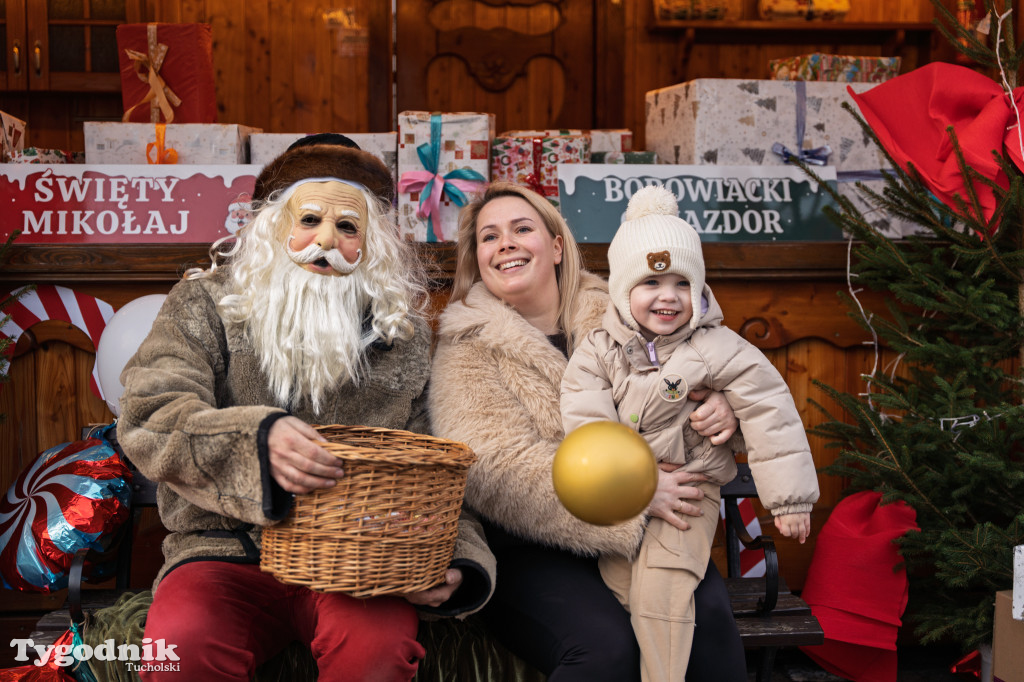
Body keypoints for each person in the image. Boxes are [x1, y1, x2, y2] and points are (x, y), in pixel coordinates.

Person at [116, 134, 495, 682]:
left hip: (359, 565)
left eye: (347, 227)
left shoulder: (401, 334)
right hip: (222, 549)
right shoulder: (204, 303)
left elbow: (439, 470)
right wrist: (256, 443)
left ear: (372, 245)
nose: (325, 240)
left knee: (377, 654)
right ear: (272, 231)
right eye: (309, 219)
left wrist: (454, 562)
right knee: (183, 649)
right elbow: (151, 414)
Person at [428, 181, 749, 681]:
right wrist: (632, 496)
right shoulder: (467, 345)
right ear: (479, 260)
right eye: (489, 237)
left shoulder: (627, 314)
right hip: (534, 548)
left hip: (658, 528)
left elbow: (706, 367)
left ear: (556, 246)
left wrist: (724, 411)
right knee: (605, 649)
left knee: (705, 619)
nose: (505, 243)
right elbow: (492, 466)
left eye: (521, 229)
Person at [560, 185, 821, 682]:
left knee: (664, 587)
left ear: (699, 290)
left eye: (683, 283)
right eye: (652, 282)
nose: (669, 296)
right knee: (622, 583)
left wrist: (789, 501)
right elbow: (585, 419)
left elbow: (770, 408)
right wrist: (622, 478)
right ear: (622, 291)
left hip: (691, 493)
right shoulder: (598, 350)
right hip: (624, 499)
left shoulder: (717, 347)